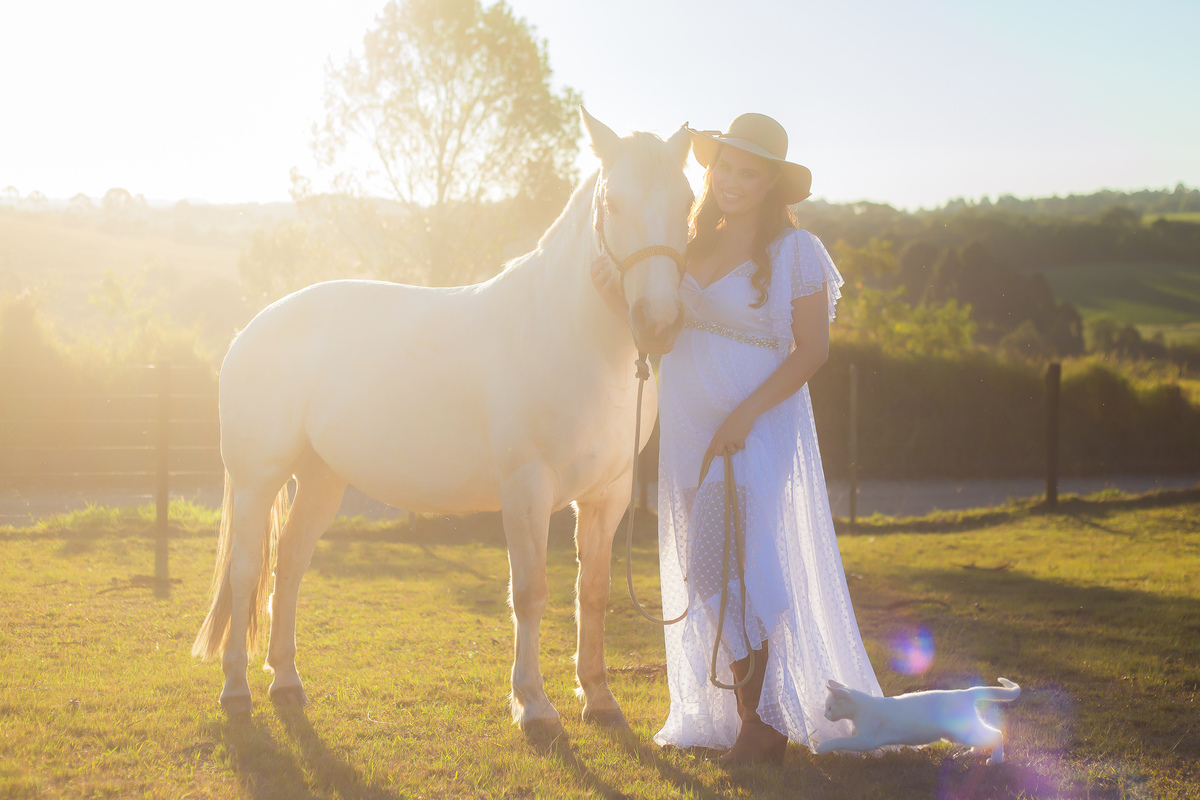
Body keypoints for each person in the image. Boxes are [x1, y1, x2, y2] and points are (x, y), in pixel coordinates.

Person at [591, 113, 883, 764]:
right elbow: (660, 324)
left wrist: (745, 415)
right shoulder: (691, 244)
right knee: (709, 569)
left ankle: (765, 721)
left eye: (748, 173)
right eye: (723, 167)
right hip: (692, 423)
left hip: (753, 420)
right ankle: (750, 712)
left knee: (734, 563)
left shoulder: (796, 253)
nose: (730, 181)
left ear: (771, 184)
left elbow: (811, 351)